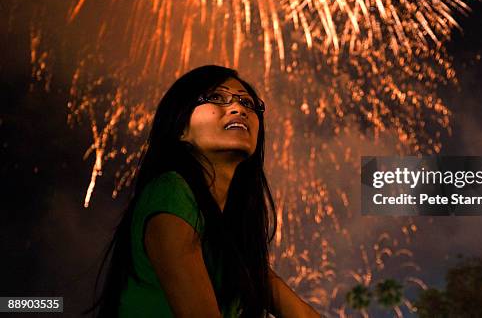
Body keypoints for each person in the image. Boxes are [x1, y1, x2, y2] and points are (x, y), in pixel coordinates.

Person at [85, 65, 320, 317]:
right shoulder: (171, 191)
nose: (239, 108)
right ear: (180, 128)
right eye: (216, 97)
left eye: (248, 103)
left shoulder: (230, 233)